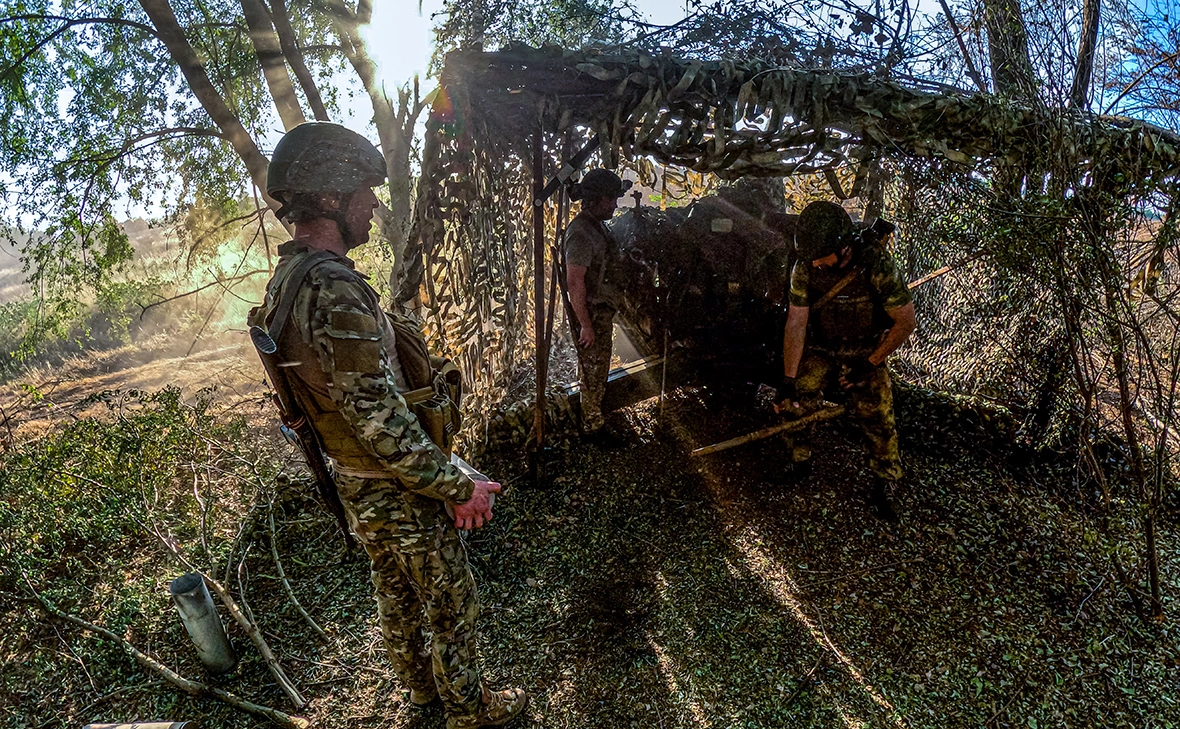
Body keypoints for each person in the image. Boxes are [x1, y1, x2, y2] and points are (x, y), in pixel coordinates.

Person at [249, 122, 526, 729]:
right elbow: (375, 414)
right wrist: (458, 484)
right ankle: (470, 711)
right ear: (329, 198)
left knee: (396, 592)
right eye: (364, 193)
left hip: (355, 476)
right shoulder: (334, 287)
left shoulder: (287, 283)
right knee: (451, 602)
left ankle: (422, 692)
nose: (373, 205)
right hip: (391, 479)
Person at [779, 200, 917, 521]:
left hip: (864, 349)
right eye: (810, 258)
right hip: (822, 346)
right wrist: (787, 379)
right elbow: (796, 323)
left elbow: (905, 322)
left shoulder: (878, 265)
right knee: (799, 394)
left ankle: (887, 479)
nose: (814, 265)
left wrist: (870, 363)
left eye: (820, 257)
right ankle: (799, 458)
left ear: (843, 248)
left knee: (878, 411)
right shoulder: (804, 267)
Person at [564, 168, 632, 444]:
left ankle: (593, 417)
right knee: (592, 374)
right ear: (595, 200)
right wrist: (585, 325)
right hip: (591, 312)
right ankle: (592, 428)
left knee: (598, 369)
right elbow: (574, 281)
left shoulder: (597, 226)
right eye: (610, 199)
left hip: (601, 310)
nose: (614, 204)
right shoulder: (580, 233)